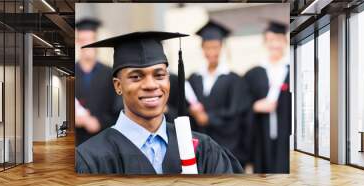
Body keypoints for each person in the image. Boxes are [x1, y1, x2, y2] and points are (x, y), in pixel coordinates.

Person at [75, 31, 243, 174]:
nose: (151, 85)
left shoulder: (202, 149)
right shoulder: (89, 158)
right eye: (136, 76)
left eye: (159, 75)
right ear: (118, 86)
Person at [239, 21, 291, 173]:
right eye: (270, 40)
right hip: (261, 138)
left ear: (285, 41)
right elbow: (241, 105)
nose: (274, 44)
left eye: (278, 39)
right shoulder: (254, 73)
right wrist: (254, 106)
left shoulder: (293, 69)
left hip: (286, 138)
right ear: (264, 43)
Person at [187, 20, 241, 159]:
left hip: (226, 144)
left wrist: (209, 118)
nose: (211, 52)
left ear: (221, 47)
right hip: (199, 143)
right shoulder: (194, 78)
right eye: (207, 47)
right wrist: (192, 111)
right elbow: (185, 107)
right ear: (202, 48)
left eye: (215, 47)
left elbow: (234, 111)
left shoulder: (233, 78)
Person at [75, 18, 122, 146]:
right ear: (77, 42)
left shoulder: (111, 74)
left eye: (92, 39)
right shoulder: (69, 74)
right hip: (76, 143)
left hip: (104, 141)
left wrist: (99, 122)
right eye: (83, 40)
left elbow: (119, 111)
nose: (88, 45)